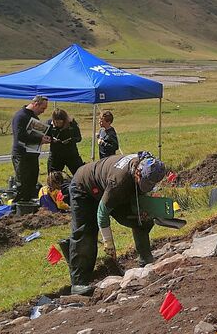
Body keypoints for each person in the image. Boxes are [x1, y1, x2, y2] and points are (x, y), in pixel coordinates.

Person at [67, 152, 168, 295]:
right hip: (84, 187)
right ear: (137, 173)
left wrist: (144, 210)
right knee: (86, 233)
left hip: (109, 186)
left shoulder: (149, 165)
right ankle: (79, 283)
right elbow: (102, 212)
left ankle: (145, 259)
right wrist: (108, 242)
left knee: (140, 219)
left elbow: (140, 195)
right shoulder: (119, 180)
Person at [10, 96, 51, 203]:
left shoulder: (35, 119)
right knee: (23, 183)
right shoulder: (20, 116)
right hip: (21, 155)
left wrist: (43, 138)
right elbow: (20, 137)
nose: (43, 112)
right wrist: (39, 139)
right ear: (35, 104)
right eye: (42, 108)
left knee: (32, 182)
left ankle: (28, 205)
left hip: (32, 154)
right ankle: (18, 207)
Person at [46, 108, 84, 175]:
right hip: (55, 155)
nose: (58, 124)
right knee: (53, 176)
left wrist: (71, 140)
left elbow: (79, 138)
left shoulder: (72, 124)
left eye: (60, 122)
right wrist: (51, 140)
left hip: (71, 154)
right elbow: (45, 137)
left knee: (79, 174)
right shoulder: (49, 124)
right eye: (56, 122)